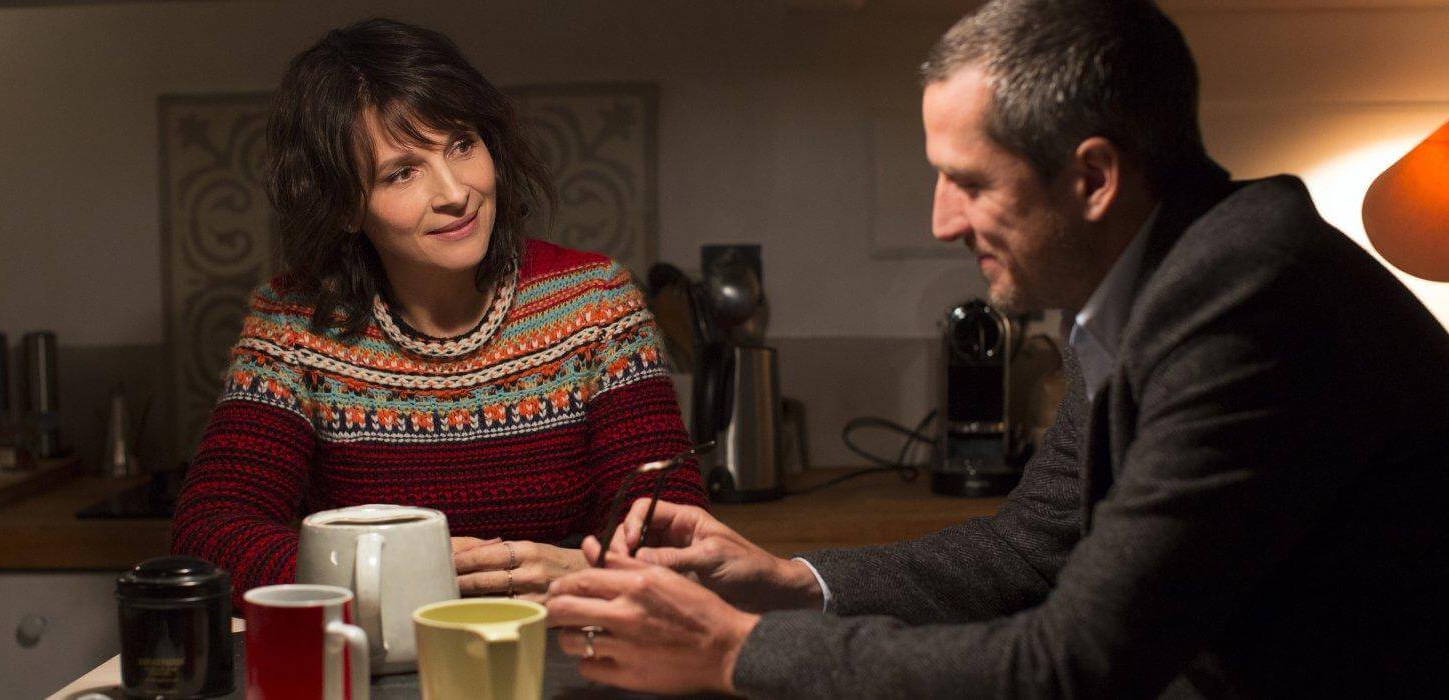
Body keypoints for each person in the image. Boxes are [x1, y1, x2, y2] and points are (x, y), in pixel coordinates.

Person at [544, 0, 1449, 696]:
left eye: (968, 181)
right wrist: (786, 581)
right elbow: (1031, 548)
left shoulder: (1246, 303)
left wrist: (730, 650)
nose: (941, 221)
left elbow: (1072, 667)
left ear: (1092, 178)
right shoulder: (1155, 278)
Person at [171, 17, 704, 605]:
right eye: (402, 172)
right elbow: (208, 535)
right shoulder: (295, 326)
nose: (454, 192)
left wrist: (577, 567)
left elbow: (673, 529)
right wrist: (390, 569)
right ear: (345, 207)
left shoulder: (594, 303)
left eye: (461, 145)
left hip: (568, 646)